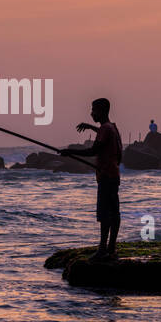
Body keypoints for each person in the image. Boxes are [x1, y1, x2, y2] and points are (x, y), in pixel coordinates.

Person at [60, 98, 123, 261]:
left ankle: (102, 250)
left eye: (93, 110)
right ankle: (111, 248)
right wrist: (90, 127)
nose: (91, 113)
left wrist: (70, 152)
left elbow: (93, 151)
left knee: (104, 214)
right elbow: (115, 148)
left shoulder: (105, 129)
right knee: (114, 212)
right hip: (113, 175)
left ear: (101, 111)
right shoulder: (112, 128)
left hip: (106, 176)